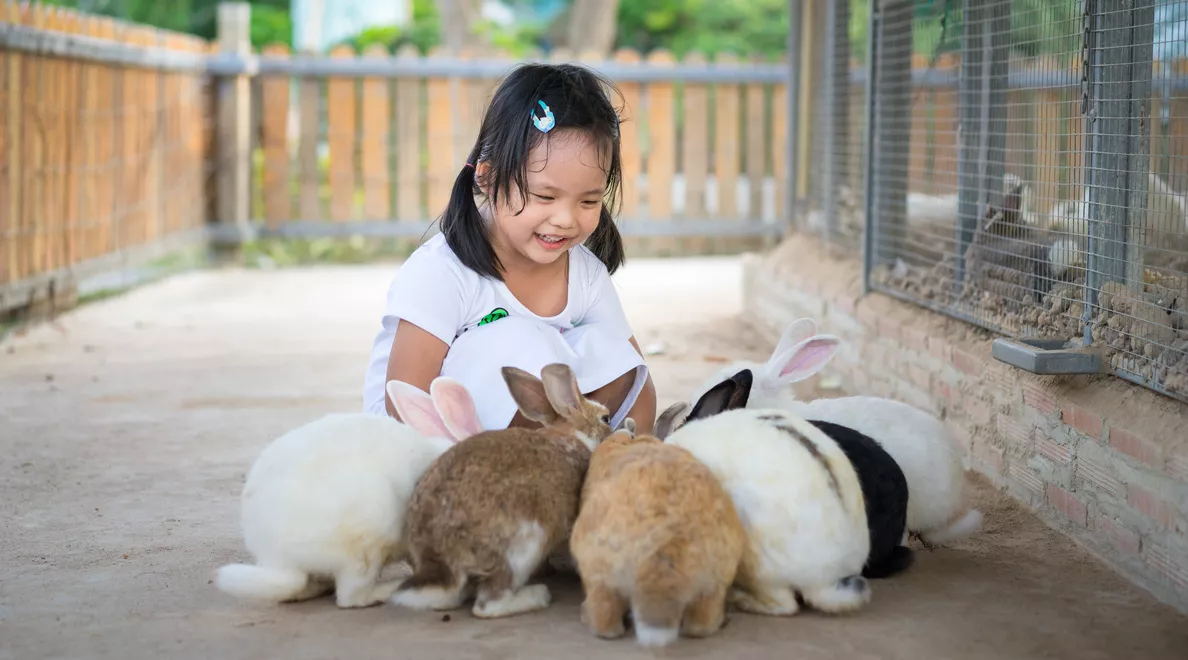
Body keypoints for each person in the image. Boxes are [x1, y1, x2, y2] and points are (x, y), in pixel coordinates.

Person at [361, 62, 657, 435]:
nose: (565, 219)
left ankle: (614, 464)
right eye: (544, 196)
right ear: (487, 177)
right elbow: (403, 400)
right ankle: (528, 468)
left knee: (612, 350)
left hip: (538, 434)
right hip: (427, 437)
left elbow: (628, 370)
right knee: (520, 337)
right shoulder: (442, 273)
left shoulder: (584, 274)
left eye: (587, 202)